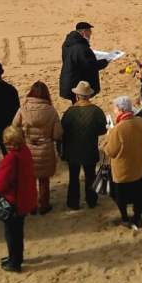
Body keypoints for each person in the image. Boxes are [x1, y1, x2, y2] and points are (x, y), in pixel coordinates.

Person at [103, 95, 142, 230]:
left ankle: (125, 217)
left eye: (115, 109)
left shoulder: (118, 129)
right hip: (138, 167)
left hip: (122, 171)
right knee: (137, 194)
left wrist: (108, 139)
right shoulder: (141, 122)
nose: (114, 111)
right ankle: (137, 217)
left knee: (120, 197)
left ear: (120, 110)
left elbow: (110, 151)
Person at [0, 125, 37, 274]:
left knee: (11, 234)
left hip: (14, 200)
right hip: (25, 198)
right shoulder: (25, 151)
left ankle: (14, 261)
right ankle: (17, 257)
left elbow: (0, 185)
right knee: (18, 232)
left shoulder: (11, 158)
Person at [13, 81, 62, 214]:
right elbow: (57, 134)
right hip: (45, 148)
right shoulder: (51, 111)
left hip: (28, 148)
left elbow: (14, 127)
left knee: (29, 180)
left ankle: (32, 206)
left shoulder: (23, 109)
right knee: (44, 180)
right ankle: (44, 205)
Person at [61, 81, 106, 210]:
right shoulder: (96, 111)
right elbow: (102, 129)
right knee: (90, 175)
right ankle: (91, 200)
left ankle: (73, 202)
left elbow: (63, 128)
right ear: (89, 96)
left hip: (73, 149)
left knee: (73, 177)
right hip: (89, 148)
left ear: (77, 96)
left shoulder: (70, 112)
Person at [58, 21, 108, 102]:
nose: (91, 34)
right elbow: (89, 66)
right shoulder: (80, 47)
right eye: (89, 31)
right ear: (84, 32)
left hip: (69, 80)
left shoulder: (68, 43)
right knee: (81, 105)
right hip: (77, 83)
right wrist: (104, 62)